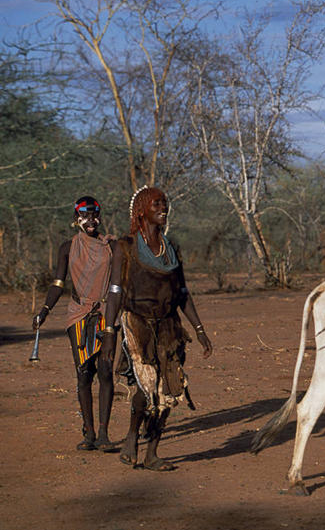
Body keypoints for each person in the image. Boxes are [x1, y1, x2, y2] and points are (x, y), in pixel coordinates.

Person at [102, 186, 213, 471]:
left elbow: (183, 293)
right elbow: (115, 291)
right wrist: (110, 332)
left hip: (168, 325)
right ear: (141, 210)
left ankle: (152, 452)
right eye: (157, 204)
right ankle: (131, 436)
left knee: (170, 389)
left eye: (165, 203)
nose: (163, 208)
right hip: (137, 322)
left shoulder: (170, 249)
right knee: (147, 384)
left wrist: (199, 330)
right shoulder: (125, 247)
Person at [32, 196, 118, 451]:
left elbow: (117, 285)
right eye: (85, 217)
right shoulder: (67, 248)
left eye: (94, 216)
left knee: (105, 371)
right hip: (78, 313)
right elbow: (58, 284)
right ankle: (88, 433)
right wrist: (44, 310)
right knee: (84, 374)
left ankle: (104, 434)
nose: (90, 221)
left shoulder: (111, 246)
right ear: (76, 219)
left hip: (105, 313)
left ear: (99, 217)